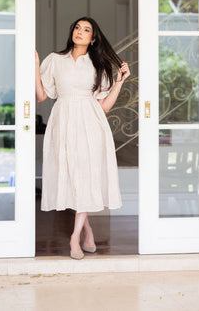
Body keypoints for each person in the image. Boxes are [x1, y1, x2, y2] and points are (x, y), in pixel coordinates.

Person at [35, 17, 130, 260]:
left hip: (91, 124)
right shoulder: (55, 60)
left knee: (85, 178)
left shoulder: (98, 65)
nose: (80, 32)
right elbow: (41, 96)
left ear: (93, 38)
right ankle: (88, 229)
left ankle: (74, 237)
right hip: (63, 122)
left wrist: (120, 82)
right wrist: (35, 66)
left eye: (86, 30)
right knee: (70, 177)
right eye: (77, 27)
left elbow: (105, 106)